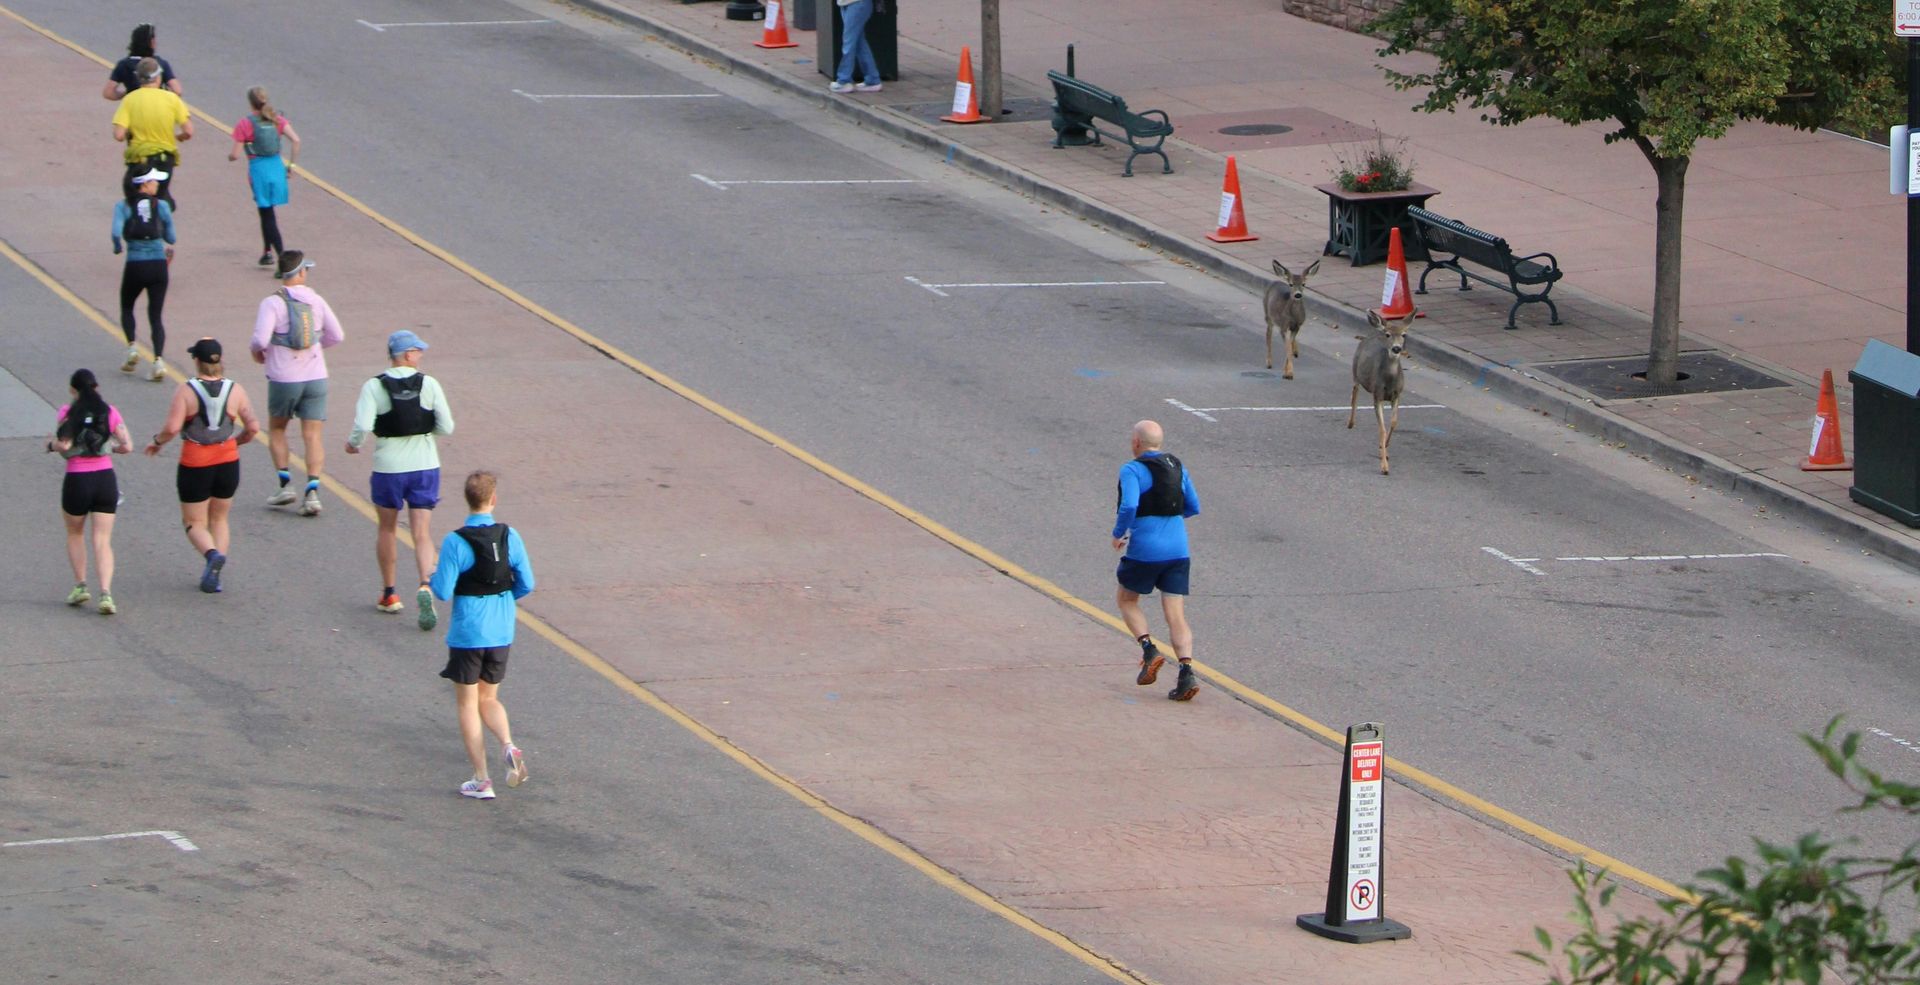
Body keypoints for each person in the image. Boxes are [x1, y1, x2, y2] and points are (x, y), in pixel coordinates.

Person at [428, 471, 536, 800]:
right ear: (493, 500)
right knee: (490, 698)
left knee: (467, 704)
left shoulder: (455, 541)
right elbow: (527, 583)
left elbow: (443, 591)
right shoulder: (510, 535)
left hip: (468, 632)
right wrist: (502, 600)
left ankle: (481, 778)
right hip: (502, 629)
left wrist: (432, 577)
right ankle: (508, 745)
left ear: (468, 499)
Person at [347, 330, 454, 629]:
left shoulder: (374, 386)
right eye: (418, 351)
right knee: (422, 532)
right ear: (407, 354)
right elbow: (447, 426)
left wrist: (353, 442)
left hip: (388, 467)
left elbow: (363, 425)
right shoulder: (429, 384)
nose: (421, 355)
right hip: (425, 465)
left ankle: (390, 593)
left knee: (387, 528)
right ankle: (424, 584)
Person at [146, 338, 261, 594]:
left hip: (195, 461)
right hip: (228, 460)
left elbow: (173, 428)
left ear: (197, 361)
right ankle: (216, 572)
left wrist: (157, 442)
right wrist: (236, 442)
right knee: (219, 517)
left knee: (194, 522)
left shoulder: (186, 391)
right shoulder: (237, 390)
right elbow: (253, 427)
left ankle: (211, 556)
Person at [1111, 419, 1202, 702]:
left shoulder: (1132, 469)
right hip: (1178, 548)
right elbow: (1193, 505)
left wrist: (1119, 533)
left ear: (1137, 442)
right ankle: (1186, 671)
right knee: (1175, 614)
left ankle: (1149, 650)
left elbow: (1129, 505)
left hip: (1145, 550)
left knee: (1127, 599)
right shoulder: (1176, 465)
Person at [250, 250, 343, 516]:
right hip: (315, 375)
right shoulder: (316, 300)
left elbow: (259, 340)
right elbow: (337, 335)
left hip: (284, 377)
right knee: (312, 435)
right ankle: (312, 493)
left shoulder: (272, 303)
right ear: (301, 272)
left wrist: (260, 353)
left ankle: (285, 484)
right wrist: (315, 347)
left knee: (277, 429)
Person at [48, 369, 133, 615]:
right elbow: (127, 446)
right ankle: (106, 593)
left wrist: (50, 445)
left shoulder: (68, 412)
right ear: (96, 387)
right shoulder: (110, 411)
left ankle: (81, 586)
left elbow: (64, 444)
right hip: (105, 479)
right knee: (103, 540)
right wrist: (108, 448)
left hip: (77, 479)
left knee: (75, 533)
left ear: (73, 390)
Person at [111, 169, 176, 382]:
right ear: (144, 184)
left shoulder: (123, 205)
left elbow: (115, 231)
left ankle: (131, 347)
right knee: (155, 315)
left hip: (135, 264)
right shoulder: (162, 206)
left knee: (127, 305)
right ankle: (158, 360)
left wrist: (117, 246)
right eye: (154, 181)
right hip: (158, 265)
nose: (157, 184)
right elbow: (171, 237)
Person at [227, 87, 300, 268]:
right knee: (268, 212)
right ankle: (266, 251)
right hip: (277, 167)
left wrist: (231, 157)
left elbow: (235, 155)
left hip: (258, 169)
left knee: (267, 215)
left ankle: (282, 257)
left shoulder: (245, 123)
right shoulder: (278, 120)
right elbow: (296, 140)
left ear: (251, 103)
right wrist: (291, 165)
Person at [111, 57, 191, 208]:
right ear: (159, 77)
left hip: (139, 160)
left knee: (134, 200)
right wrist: (179, 137)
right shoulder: (172, 99)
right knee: (160, 199)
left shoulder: (130, 99)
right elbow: (189, 131)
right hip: (164, 158)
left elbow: (118, 135)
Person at [102, 23, 181, 101]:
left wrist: (126, 94)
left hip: (134, 106)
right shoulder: (160, 63)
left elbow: (108, 93)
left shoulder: (123, 65)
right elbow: (177, 90)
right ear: (151, 42)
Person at [829, 0, 884, 94]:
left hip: (856, 3)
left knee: (849, 43)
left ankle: (844, 80)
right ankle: (872, 79)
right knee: (859, 44)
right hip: (850, 3)